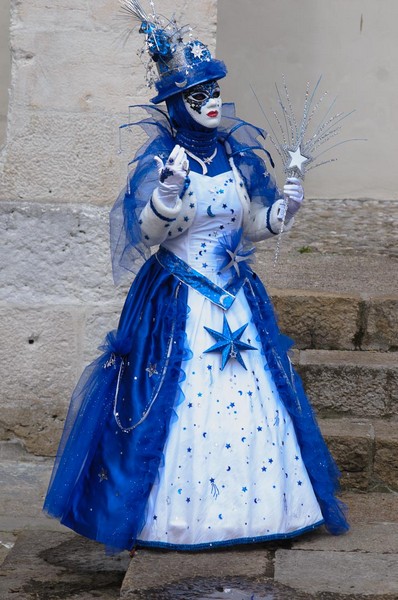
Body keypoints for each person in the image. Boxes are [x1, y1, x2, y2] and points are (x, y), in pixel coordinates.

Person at [44, 4, 349, 552]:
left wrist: (284, 212)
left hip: (234, 300)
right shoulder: (164, 157)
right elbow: (147, 233)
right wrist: (163, 197)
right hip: (177, 303)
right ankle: (174, 518)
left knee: (256, 399)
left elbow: (250, 224)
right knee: (172, 403)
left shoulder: (234, 155)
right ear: (177, 105)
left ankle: (256, 513)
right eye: (197, 97)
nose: (210, 105)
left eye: (214, 95)